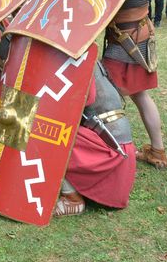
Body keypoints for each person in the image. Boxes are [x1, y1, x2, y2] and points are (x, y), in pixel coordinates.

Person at [103, 0, 167, 169]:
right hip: (136, 33)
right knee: (140, 95)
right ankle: (157, 150)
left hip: (126, 36)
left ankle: (106, 152)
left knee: (104, 94)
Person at [55, 62, 136, 216]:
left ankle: (72, 199)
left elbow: (84, 98)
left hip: (110, 151)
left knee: (48, 131)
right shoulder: (84, 51)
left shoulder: (80, 54)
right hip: (115, 146)